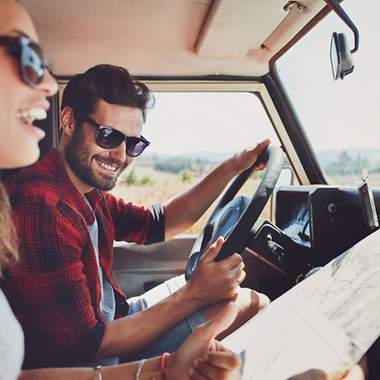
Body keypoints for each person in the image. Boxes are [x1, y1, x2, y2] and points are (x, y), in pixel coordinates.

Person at [0, 0, 242, 379]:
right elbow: (84, 346)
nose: (121, 155)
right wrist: (193, 295)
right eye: (110, 136)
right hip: (93, 353)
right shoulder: (41, 204)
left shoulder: (86, 190)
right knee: (243, 303)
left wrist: (233, 167)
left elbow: (159, 223)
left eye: (134, 144)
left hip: (116, 317)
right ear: (68, 121)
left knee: (236, 301)